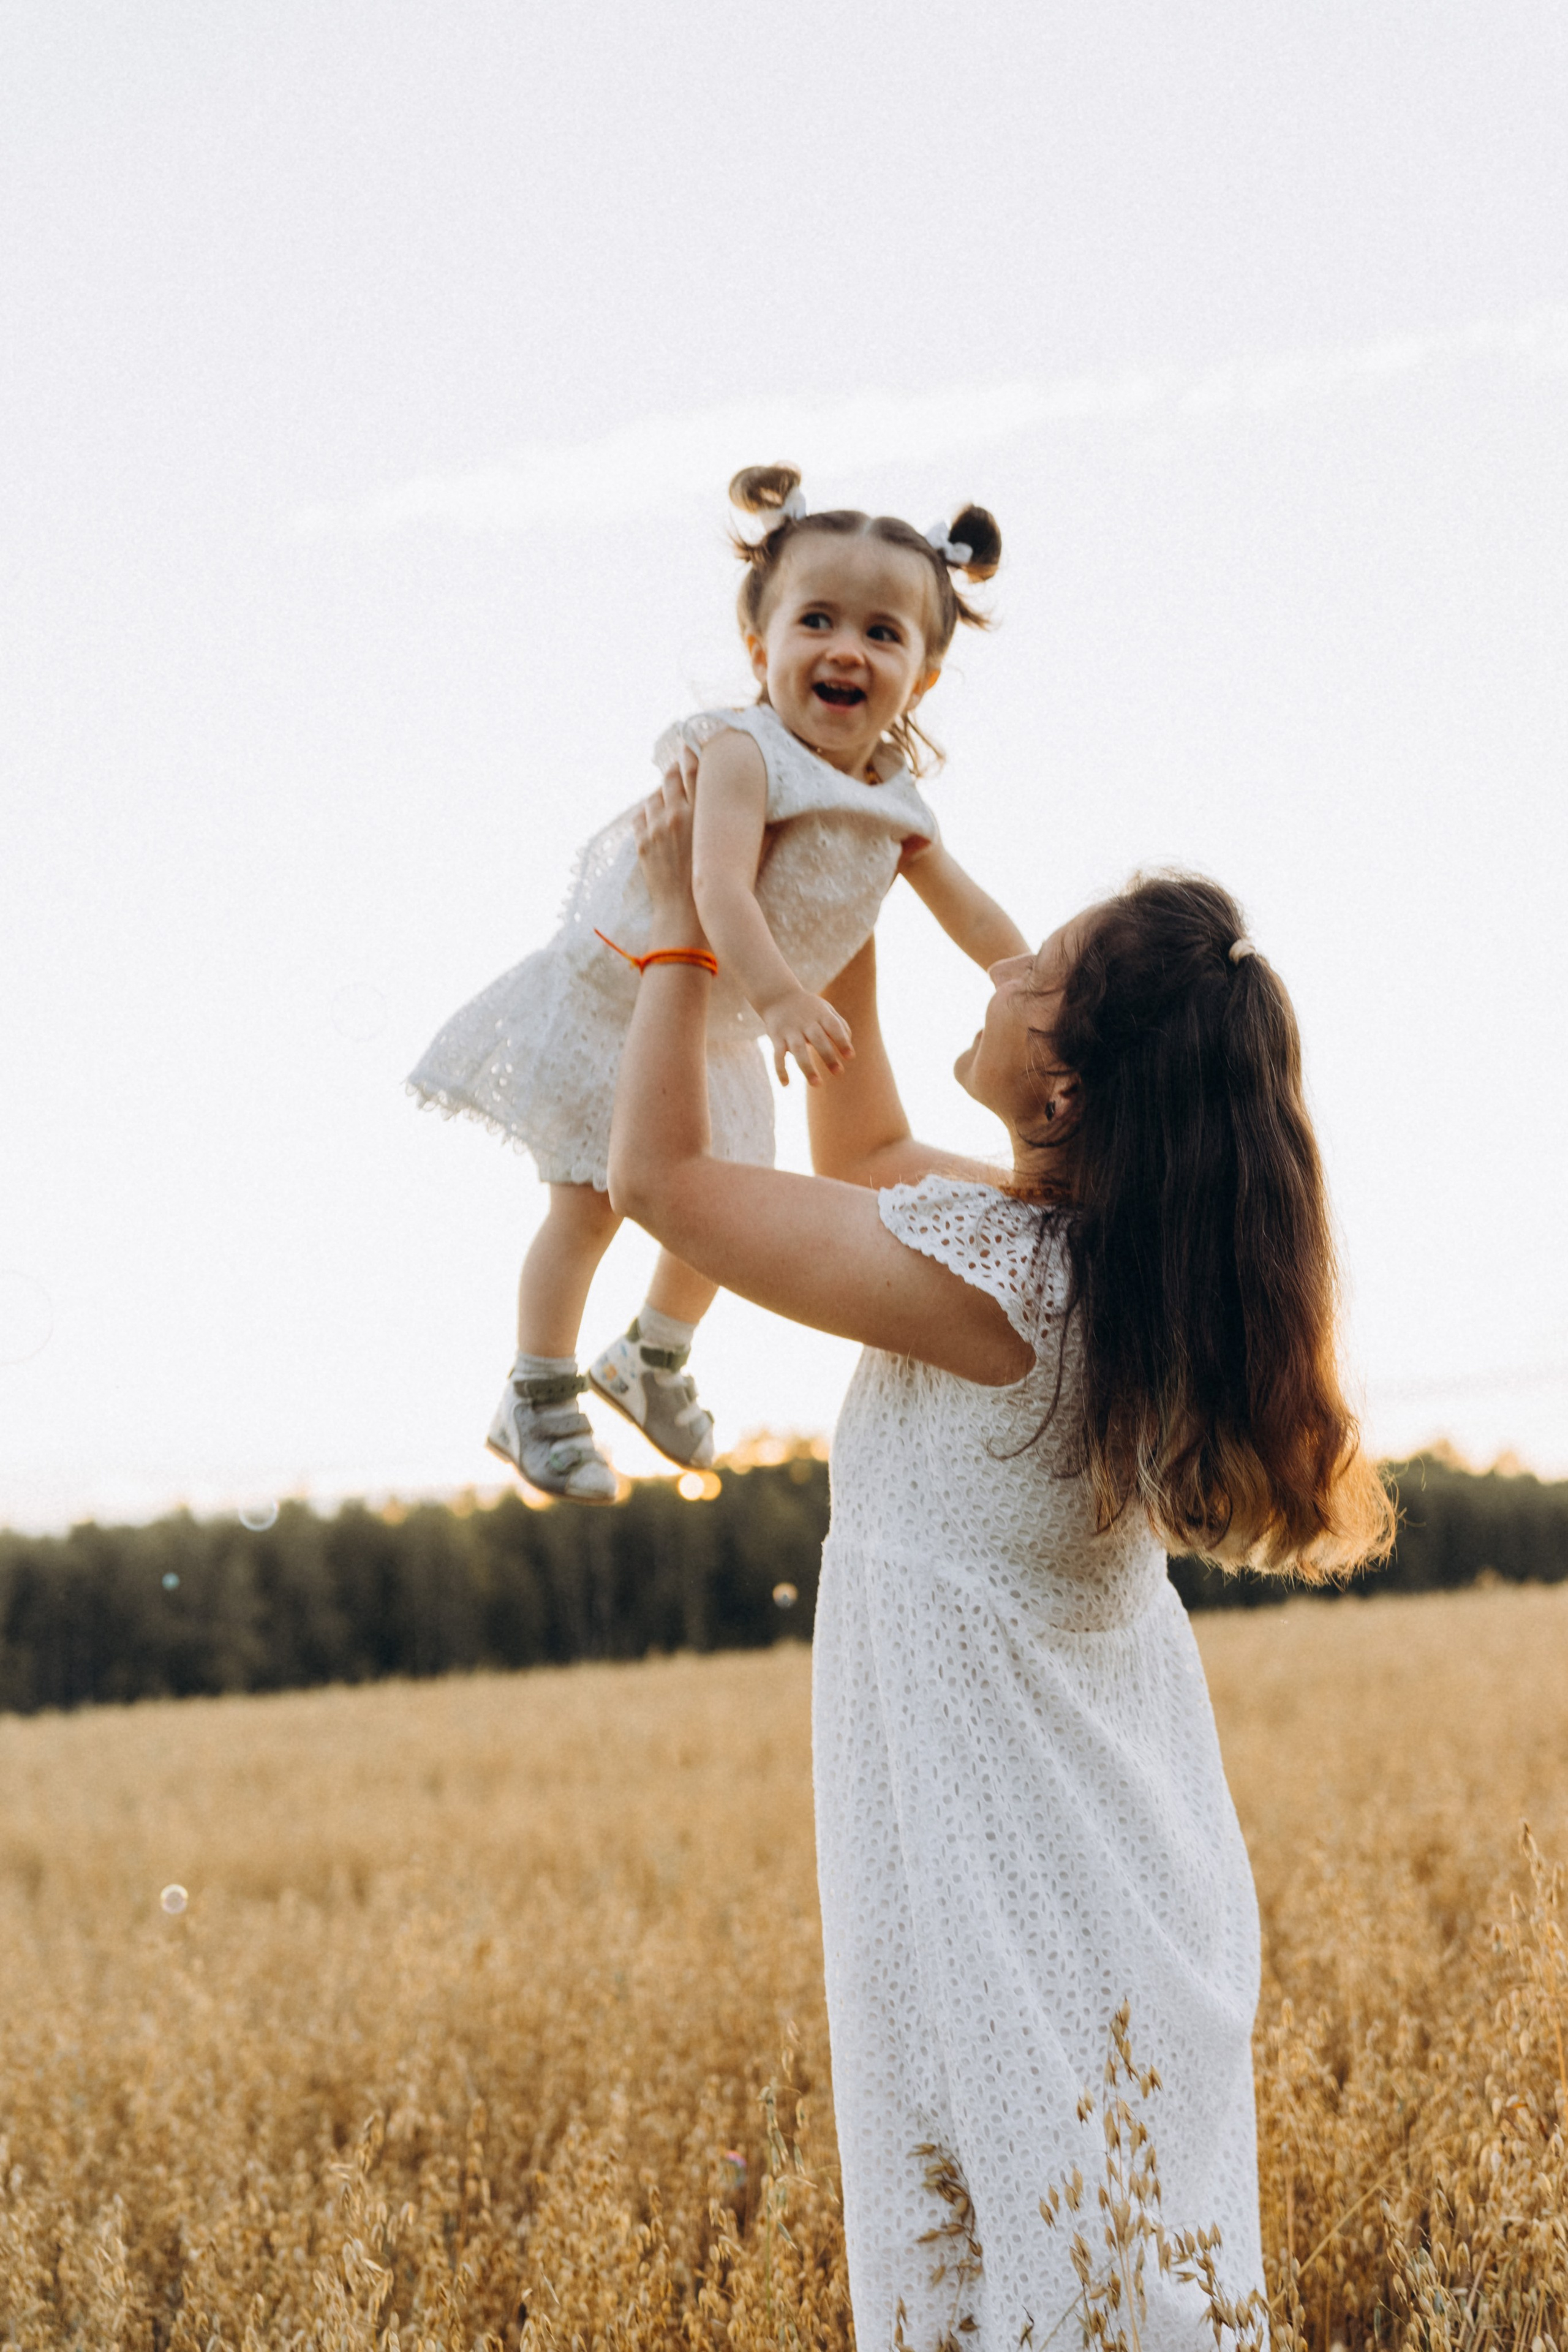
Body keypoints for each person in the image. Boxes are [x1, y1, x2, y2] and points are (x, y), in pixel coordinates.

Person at [606, 771, 1395, 2345]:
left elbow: (663, 1191)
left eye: (1033, 976)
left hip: (1009, 1870)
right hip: (1099, 1851)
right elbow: (870, 1138)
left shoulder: (1004, 1289)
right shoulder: (1104, 1272)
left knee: (1029, 2266)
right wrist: (833, 892)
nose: (1004, 964)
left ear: (1064, 1093)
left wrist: (676, 940)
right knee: (1112, 2262)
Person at [408, 464, 1026, 1501]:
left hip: (722, 1025)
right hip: (632, 1002)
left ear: (919, 676)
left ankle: (650, 1359)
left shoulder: (892, 798)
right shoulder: (747, 753)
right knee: (591, 1205)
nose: (846, 648)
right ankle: (537, 1391)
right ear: (761, 647)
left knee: (728, 1196)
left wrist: (1035, 976)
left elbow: (966, 906)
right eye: (817, 619)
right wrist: (785, 994)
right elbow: (715, 884)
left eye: (883, 633)